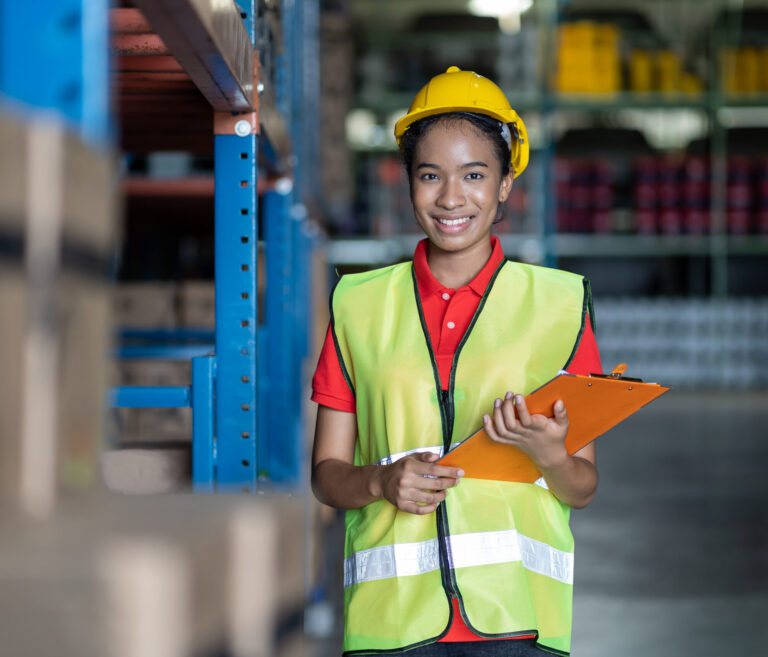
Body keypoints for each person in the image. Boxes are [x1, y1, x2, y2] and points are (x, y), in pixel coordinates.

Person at [311, 66, 601, 656]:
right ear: (408, 184)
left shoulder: (558, 305)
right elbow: (326, 475)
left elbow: (582, 487)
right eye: (429, 175)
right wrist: (379, 479)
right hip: (392, 628)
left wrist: (551, 456)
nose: (450, 198)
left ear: (504, 185)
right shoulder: (359, 305)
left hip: (518, 624)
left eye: (474, 174)